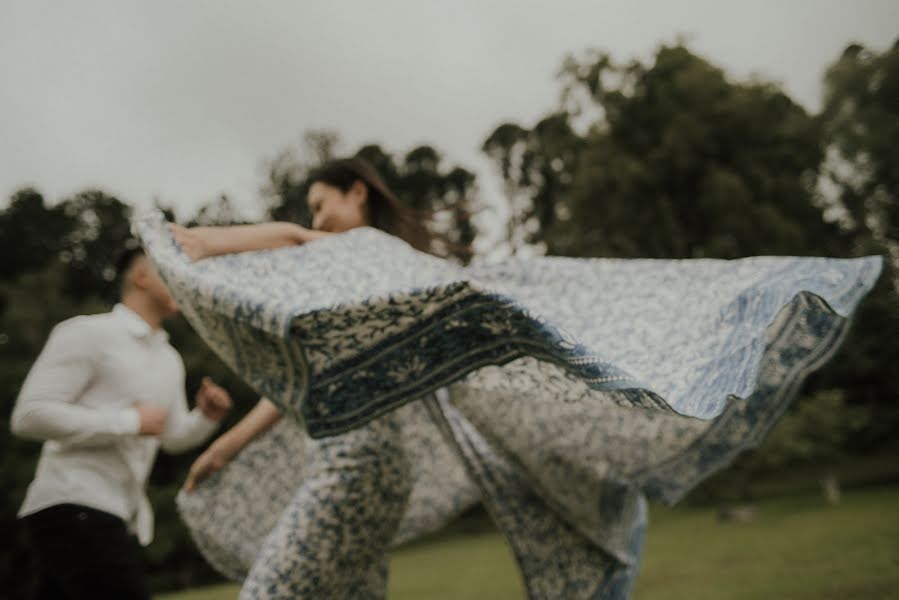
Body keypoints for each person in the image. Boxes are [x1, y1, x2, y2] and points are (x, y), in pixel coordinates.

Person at [150, 157, 880, 600]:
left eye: (321, 204)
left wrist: (205, 242)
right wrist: (221, 449)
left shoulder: (365, 255)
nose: (314, 220)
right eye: (311, 211)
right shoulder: (364, 297)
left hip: (358, 475)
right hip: (360, 472)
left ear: (357, 197)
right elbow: (303, 383)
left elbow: (295, 241)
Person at [11, 247, 233, 600]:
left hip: (117, 513)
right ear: (141, 277)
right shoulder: (88, 334)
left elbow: (171, 437)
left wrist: (206, 418)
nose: (183, 281)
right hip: (72, 501)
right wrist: (128, 422)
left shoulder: (169, 359)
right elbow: (29, 415)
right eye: (170, 272)